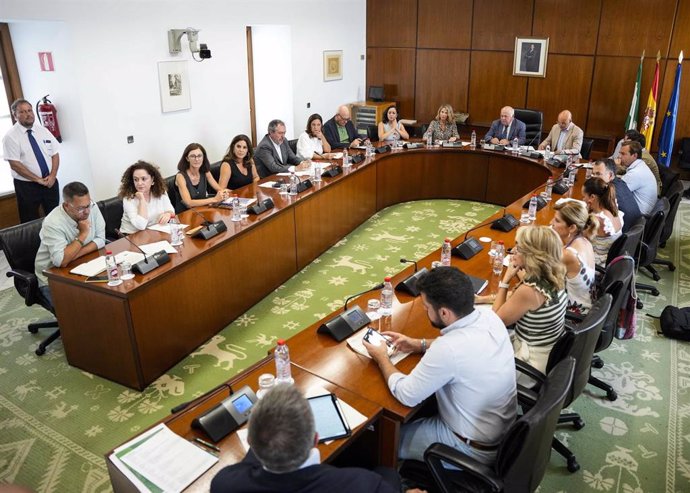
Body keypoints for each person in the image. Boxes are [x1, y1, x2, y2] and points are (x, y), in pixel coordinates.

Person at [364, 266, 516, 466]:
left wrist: (382, 357)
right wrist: (419, 344)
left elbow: (407, 394)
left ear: (444, 312)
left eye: (426, 307)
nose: (425, 310)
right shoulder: (489, 317)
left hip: (468, 447)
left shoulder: (448, 349)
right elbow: (465, 346)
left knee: (381, 439)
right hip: (502, 434)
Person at [210, 385, 413, 493]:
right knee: (389, 474)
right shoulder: (364, 485)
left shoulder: (224, 484)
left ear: (251, 443)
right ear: (316, 439)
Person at [490, 226, 567, 377]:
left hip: (529, 362)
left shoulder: (529, 291)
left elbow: (495, 321)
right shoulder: (555, 272)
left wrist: (505, 280)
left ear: (532, 255)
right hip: (547, 348)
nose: (513, 252)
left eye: (518, 247)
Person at [35, 182, 106, 307]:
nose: (87, 212)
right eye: (80, 208)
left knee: (106, 298)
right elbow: (61, 261)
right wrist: (83, 235)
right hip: (52, 276)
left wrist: (73, 254)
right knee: (75, 312)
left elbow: (101, 239)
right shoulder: (52, 223)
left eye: (88, 205)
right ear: (67, 205)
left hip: (83, 265)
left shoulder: (91, 207)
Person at [2, 99, 61, 223]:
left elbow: (55, 154)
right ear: (15, 115)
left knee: (55, 218)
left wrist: (52, 176)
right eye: (22, 112)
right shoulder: (10, 137)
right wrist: (37, 179)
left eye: (29, 110)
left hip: (50, 182)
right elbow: (15, 165)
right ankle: (34, 243)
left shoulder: (43, 130)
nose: (28, 114)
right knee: (30, 221)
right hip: (27, 186)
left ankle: (58, 242)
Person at [550, 200, 598, 315]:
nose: (551, 222)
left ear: (572, 228)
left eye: (557, 220)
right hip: (587, 308)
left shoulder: (568, 255)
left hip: (572, 315)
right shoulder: (584, 240)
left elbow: (537, 276)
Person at [117, 161, 174, 234]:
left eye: (143, 179)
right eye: (136, 179)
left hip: (152, 232)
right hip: (130, 236)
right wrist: (141, 199)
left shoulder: (160, 191)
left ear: (152, 180)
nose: (139, 183)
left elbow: (170, 210)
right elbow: (141, 225)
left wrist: (168, 214)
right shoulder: (128, 198)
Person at [174, 143, 228, 212]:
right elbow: (189, 203)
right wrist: (214, 199)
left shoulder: (205, 171)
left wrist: (224, 194)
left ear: (203, 157)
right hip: (185, 214)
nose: (197, 159)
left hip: (202, 210)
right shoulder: (180, 177)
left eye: (199, 156)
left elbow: (219, 189)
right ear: (187, 158)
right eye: (193, 156)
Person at [582, 177, 624, 266]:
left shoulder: (599, 220)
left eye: (584, 196)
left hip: (597, 262)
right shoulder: (613, 208)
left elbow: (580, 238)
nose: (583, 199)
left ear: (592, 197)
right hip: (610, 261)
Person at [591, 159, 641, 233]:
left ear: (610, 175)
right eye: (593, 174)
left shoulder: (608, 192)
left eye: (598, 174)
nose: (594, 178)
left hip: (623, 234)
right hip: (633, 233)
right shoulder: (620, 183)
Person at [611, 130, 662, 196]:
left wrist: (615, 167)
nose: (619, 156)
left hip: (650, 193)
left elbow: (626, 176)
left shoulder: (644, 159)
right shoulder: (639, 159)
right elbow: (626, 171)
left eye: (623, 154)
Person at [618, 141, 657, 216]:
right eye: (620, 153)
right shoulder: (640, 166)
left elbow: (614, 192)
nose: (619, 156)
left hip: (639, 216)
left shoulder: (636, 173)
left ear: (634, 155)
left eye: (623, 154)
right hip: (639, 209)